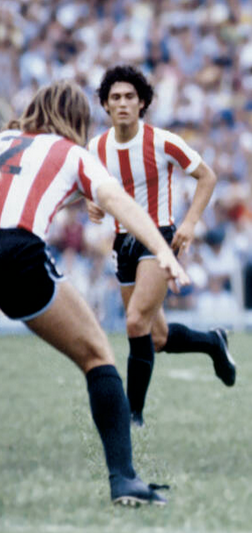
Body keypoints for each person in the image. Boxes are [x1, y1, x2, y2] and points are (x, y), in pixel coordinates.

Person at [0, 81, 189, 505]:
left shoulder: (4, 140)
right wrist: (162, 251)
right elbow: (120, 203)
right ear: (77, 120)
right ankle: (124, 480)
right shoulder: (72, 153)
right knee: (97, 356)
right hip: (16, 252)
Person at [86, 65, 235, 427]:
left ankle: (131, 415)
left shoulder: (162, 141)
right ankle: (213, 342)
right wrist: (91, 203)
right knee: (155, 337)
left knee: (135, 321)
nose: (123, 103)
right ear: (105, 105)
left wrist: (190, 223)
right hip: (123, 243)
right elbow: (91, 188)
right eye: (116, 97)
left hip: (159, 238)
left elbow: (207, 177)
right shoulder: (96, 147)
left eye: (130, 97)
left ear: (142, 103)